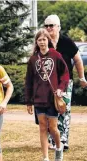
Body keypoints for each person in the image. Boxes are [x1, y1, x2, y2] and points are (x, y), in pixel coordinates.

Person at [25, 28, 70, 161]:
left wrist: (61, 88)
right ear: (36, 43)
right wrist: (29, 101)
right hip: (39, 99)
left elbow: (65, 74)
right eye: (39, 40)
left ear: (48, 41)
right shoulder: (33, 60)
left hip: (52, 98)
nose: (42, 42)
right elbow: (29, 81)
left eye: (44, 39)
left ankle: (59, 147)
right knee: (43, 128)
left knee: (53, 128)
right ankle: (45, 159)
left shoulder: (55, 55)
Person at [43, 15, 87, 150]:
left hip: (66, 81)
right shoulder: (43, 42)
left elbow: (78, 61)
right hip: (48, 83)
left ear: (58, 27)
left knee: (64, 109)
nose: (49, 28)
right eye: (46, 26)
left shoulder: (66, 42)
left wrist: (82, 78)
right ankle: (52, 139)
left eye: (52, 25)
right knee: (50, 110)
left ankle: (63, 140)